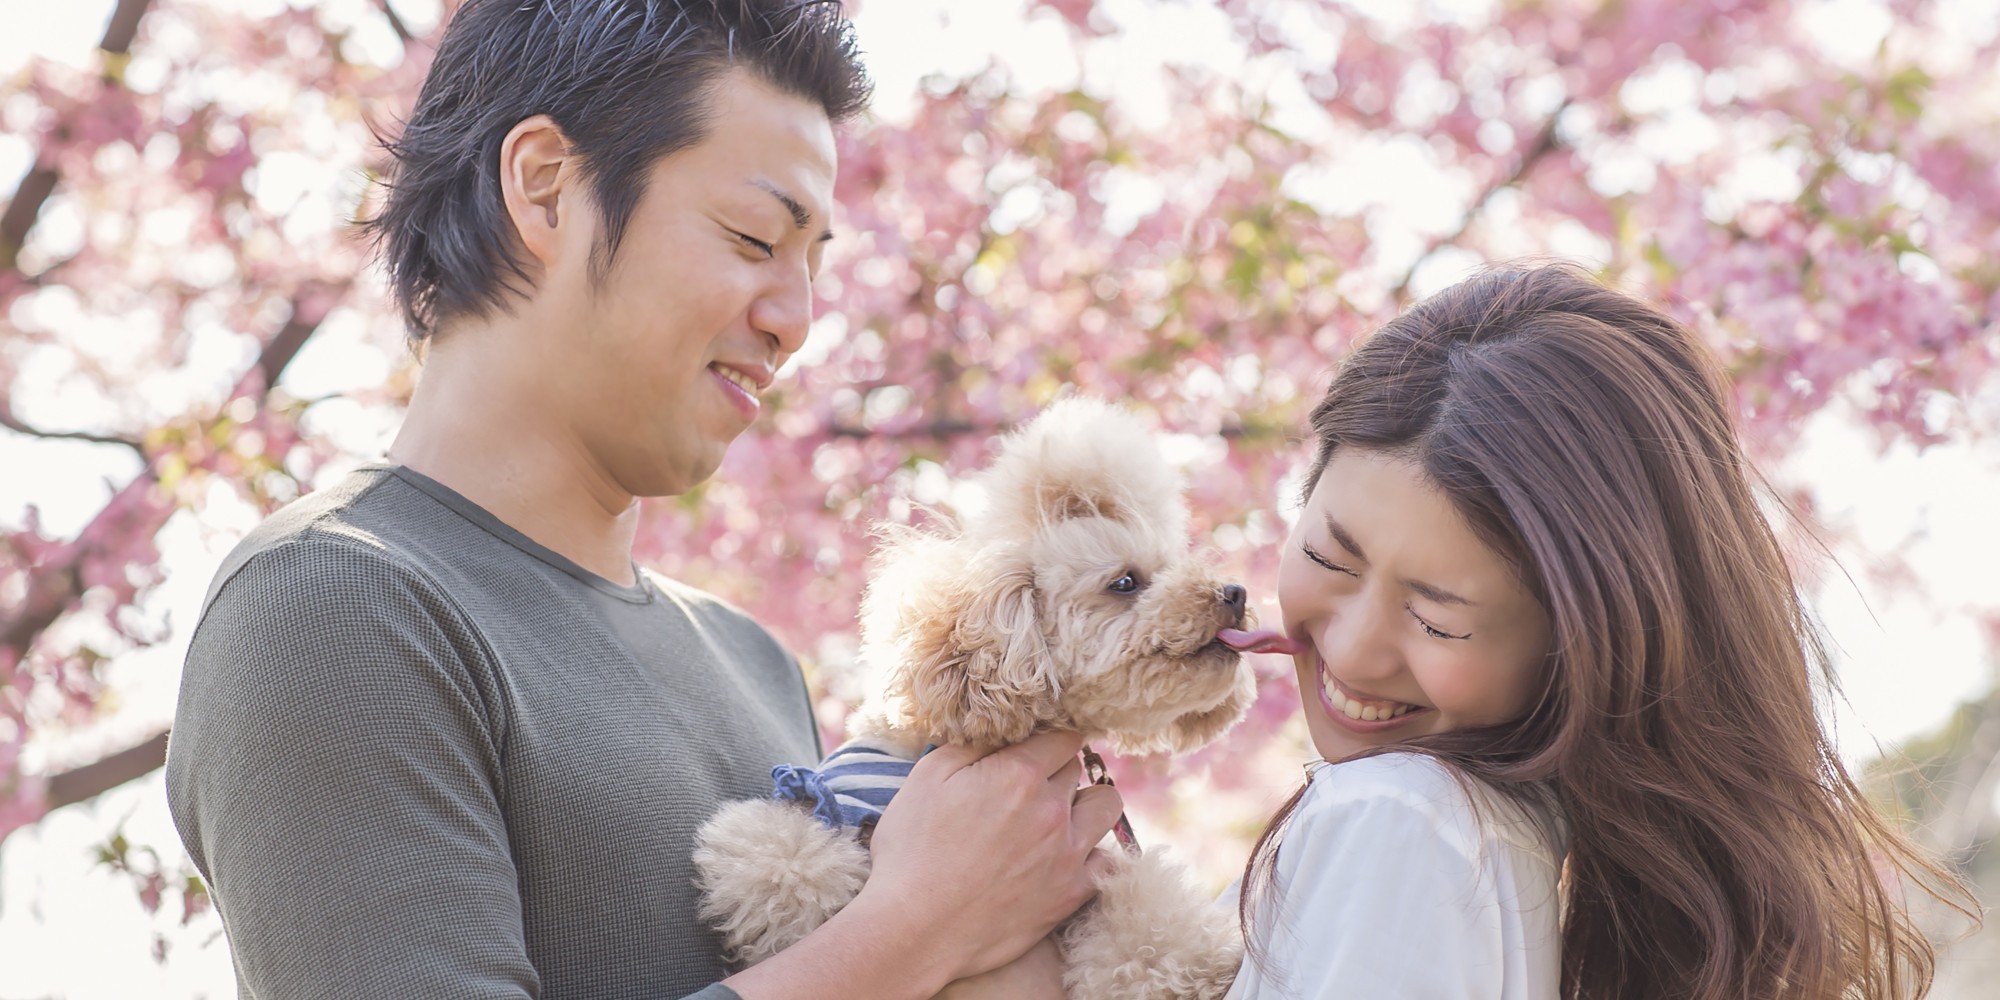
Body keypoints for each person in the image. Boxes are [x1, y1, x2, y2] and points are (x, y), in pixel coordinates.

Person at [163, 2, 1118, 998]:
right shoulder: (332, 603)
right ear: (544, 188)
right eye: (754, 238)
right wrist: (918, 925)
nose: (796, 319)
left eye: (814, 261)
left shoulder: (752, 662)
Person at [1226, 263, 1973, 999]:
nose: (1354, 650)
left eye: (1436, 620)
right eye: (1328, 556)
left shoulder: (1398, 821)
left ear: (1577, 647)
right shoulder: (1495, 857)